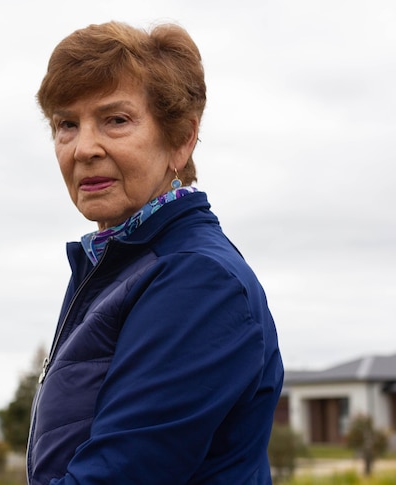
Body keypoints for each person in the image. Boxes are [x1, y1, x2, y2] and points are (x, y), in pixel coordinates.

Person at [26, 21, 284, 484]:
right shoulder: (123, 264)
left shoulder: (197, 280)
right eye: (66, 124)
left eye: (116, 120)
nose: (84, 148)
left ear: (181, 139)